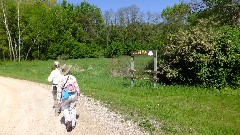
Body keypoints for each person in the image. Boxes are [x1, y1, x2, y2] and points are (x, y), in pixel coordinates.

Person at [57, 64, 80, 132]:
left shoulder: (61, 79)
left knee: (65, 108)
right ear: (68, 71)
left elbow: (59, 90)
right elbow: (77, 86)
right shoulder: (73, 77)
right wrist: (78, 94)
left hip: (66, 96)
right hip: (74, 94)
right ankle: (73, 124)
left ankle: (69, 120)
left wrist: (59, 100)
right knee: (73, 109)